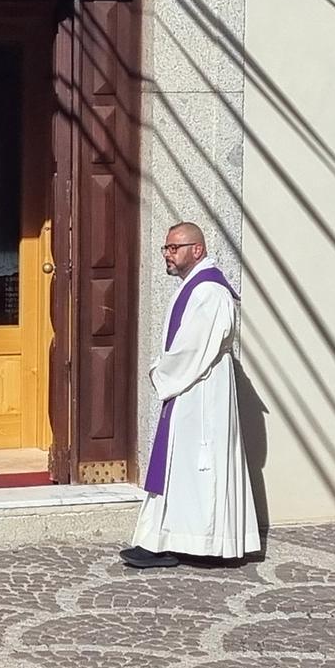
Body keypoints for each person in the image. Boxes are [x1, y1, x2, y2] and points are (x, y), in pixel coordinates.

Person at [121, 222, 262, 568]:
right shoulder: (194, 287)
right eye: (166, 248)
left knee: (199, 464)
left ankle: (205, 543)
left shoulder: (210, 292)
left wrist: (160, 371)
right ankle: (164, 540)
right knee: (178, 465)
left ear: (196, 249)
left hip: (202, 389)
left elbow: (193, 347)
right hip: (190, 385)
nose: (168, 255)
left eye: (174, 248)